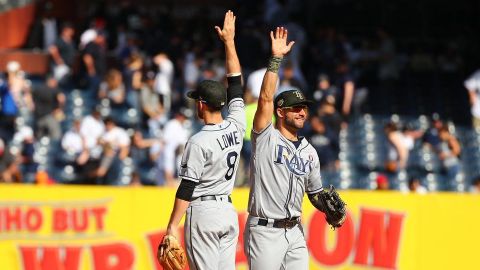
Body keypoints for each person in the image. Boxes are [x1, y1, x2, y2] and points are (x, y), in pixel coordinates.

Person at [244, 27, 344, 269]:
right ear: (280, 112)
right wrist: (276, 59)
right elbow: (266, 98)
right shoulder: (265, 137)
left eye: (304, 107)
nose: (302, 112)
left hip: (296, 230)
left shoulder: (310, 151)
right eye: (295, 107)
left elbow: (315, 193)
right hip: (264, 231)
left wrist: (327, 208)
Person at [163, 11, 246, 270]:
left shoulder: (198, 142)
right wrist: (229, 43)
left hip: (203, 214)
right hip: (228, 213)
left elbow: (186, 188)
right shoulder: (237, 123)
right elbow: (235, 82)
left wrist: (171, 226)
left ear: (201, 105)